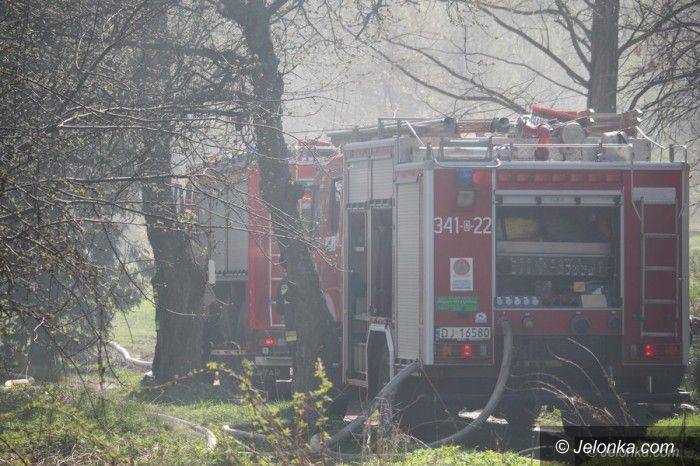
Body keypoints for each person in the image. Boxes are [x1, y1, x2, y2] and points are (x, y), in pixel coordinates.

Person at [277, 275, 296, 358]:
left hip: (290, 318)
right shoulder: (303, 279)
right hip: (298, 317)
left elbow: (282, 301)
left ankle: (293, 353)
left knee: (291, 339)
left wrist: (282, 311)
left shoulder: (284, 282)